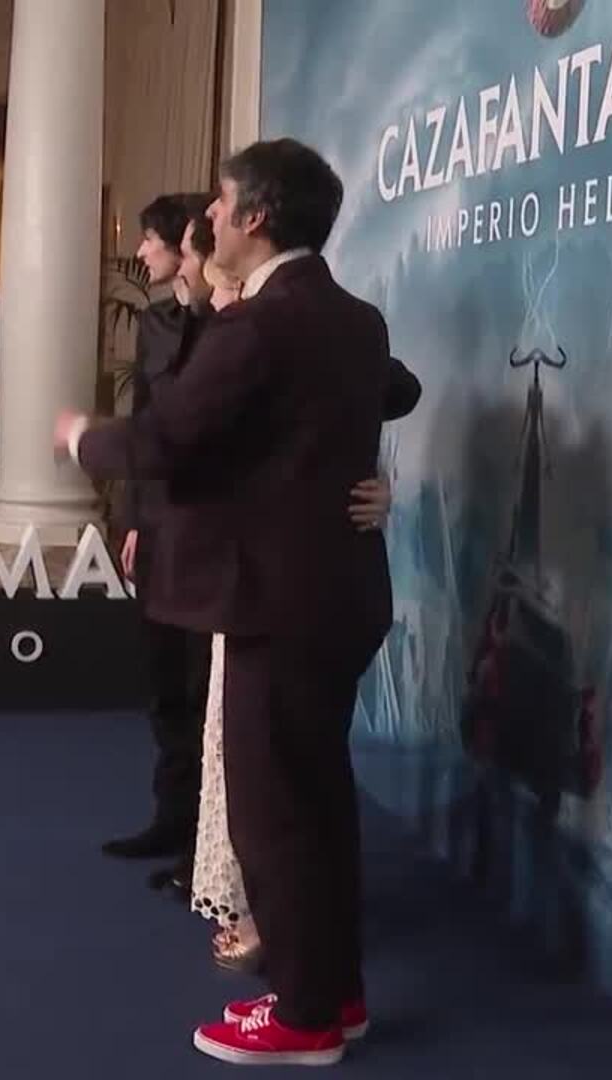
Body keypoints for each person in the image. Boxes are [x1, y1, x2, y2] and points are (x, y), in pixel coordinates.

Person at [59, 137, 412, 1066]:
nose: (205, 217)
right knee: (318, 802)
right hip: (338, 597)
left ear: (254, 216)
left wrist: (81, 438)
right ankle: (333, 994)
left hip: (275, 604)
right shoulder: (355, 319)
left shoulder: (261, 325)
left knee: (274, 815)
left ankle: (303, 1016)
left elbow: (164, 440)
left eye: (218, 203)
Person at [178, 227, 417, 976]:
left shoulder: (289, 331)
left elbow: (388, 394)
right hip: (248, 582)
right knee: (251, 769)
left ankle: (288, 945)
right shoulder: (227, 331)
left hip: (290, 593)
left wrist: (370, 484)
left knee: (281, 782)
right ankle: (273, 923)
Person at [98, 194, 215, 889]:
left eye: (149, 239)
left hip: (212, 532)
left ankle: (207, 848)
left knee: (204, 693)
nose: (140, 251)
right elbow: (143, 422)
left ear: (184, 244)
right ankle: (170, 820)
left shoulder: (231, 323)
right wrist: (135, 520)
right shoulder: (153, 322)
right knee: (165, 684)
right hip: (159, 526)